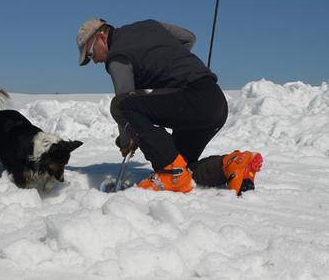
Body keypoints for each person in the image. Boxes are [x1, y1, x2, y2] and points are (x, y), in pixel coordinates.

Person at [76, 19, 263, 195]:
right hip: (215, 101)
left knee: (122, 106)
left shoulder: (117, 57)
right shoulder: (150, 26)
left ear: (101, 37)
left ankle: (170, 169)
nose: (95, 61)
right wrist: (168, 66)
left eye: (91, 54)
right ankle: (231, 164)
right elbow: (189, 37)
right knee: (182, 171)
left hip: (193, 99)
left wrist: (126, 141)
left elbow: (124, 101)